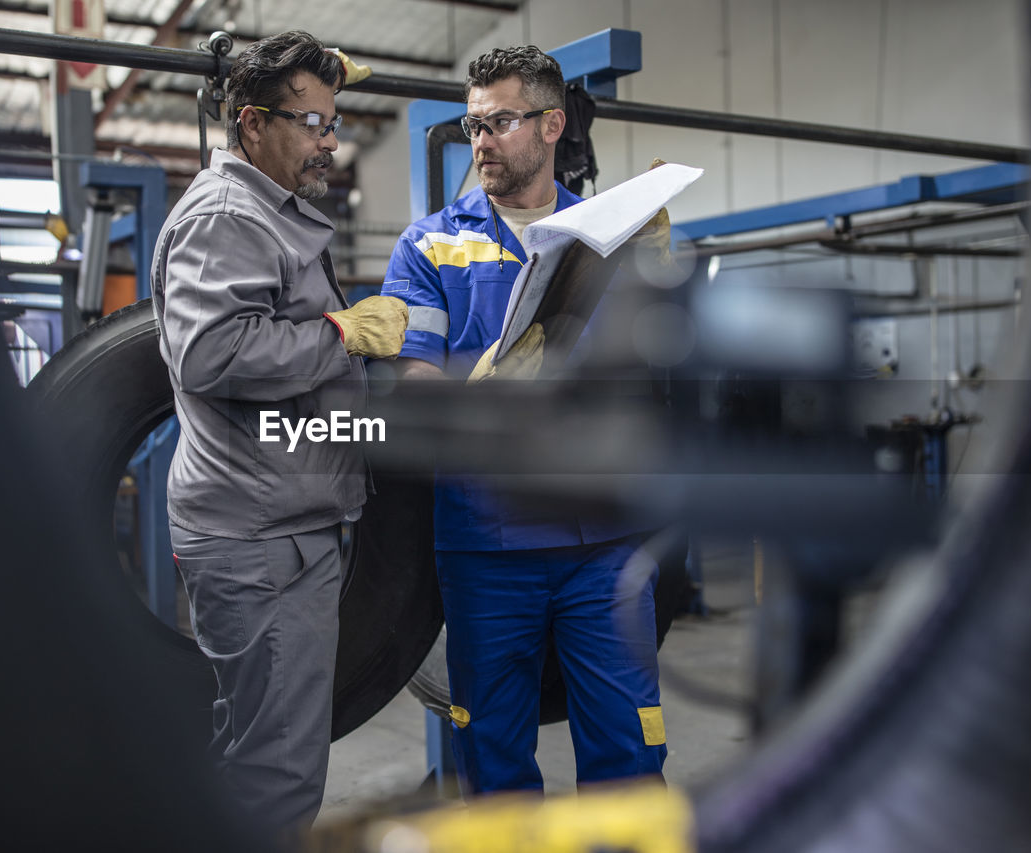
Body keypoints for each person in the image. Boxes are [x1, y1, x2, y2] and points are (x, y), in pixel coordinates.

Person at [383, 45, 668, 795]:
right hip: (486, 547)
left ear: (552, 124)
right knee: (497, 763)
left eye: (501, 122)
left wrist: (657, 293)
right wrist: (471, 387)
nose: (480, 141)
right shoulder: (427, 247)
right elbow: (412, 385)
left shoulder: (608, 236)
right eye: (473, 124)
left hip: (602, 541)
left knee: (629, 752)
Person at [150, 30, 408, 829]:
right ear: (251, 123)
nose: (327, 142)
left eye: (332, 123)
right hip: (260, 540)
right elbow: (211, 352)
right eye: (309, 123)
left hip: (281, 525)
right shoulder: (228, 214)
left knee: (257, 749)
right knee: (280, 775)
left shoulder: (267, 208)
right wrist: (340, 334)